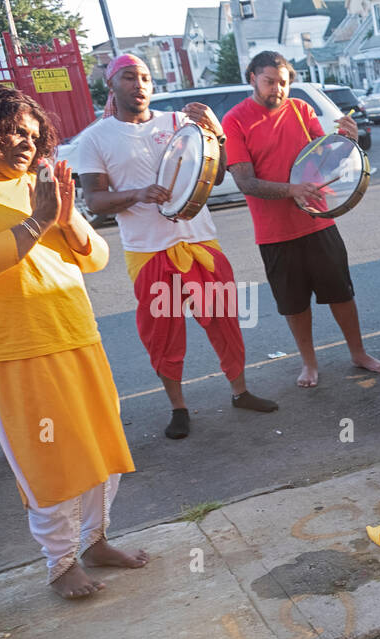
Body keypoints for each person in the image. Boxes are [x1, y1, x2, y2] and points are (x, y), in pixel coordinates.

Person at [77, 54, 278, 440]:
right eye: (130, 78)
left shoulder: (179, 123)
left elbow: (215, 177)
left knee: (225, 323)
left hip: (199, 241)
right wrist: (138, 194)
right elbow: (95, 201)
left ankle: (240, 392)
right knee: (163, 334)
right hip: (149, 250)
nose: (140, 85)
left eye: (146, 78)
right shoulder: (95, 138)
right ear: (112, 84)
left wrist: (217, 135)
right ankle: (179, 408)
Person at [0, 89, 148, 598]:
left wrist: (64, 217)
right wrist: (40, 219)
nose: (25, 143)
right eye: (14, 130)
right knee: (51, 461)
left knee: (100, 451)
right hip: (17, 352)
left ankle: (96, 540)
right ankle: (60, 566)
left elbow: (97, 256)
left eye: (33, 135)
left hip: (78, 334)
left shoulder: (39, 184)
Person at [223, 51, 380, 388]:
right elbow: (245, 182)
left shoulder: (301, 110)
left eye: (283, 83)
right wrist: (291, 190)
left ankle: (358, 353)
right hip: (274, 233)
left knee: (342, 294)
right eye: (270, 82)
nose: (278, 89)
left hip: (319, 221)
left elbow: (328, 157)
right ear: (252, 78)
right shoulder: (235, 120)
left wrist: (349, 140)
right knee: (294, 304)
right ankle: (309, 363)